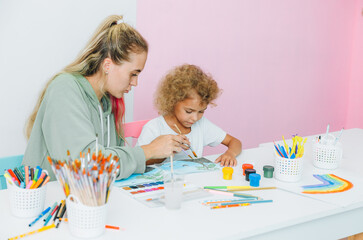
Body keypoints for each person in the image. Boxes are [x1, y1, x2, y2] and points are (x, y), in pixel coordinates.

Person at [23, 15, 190, 181]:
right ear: (108, 65)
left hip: (90, 199)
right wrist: (149, 150)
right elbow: (86, 167)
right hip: (50, 198)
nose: (135, 83)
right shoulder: (64, 89)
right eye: (133, 74)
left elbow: (111, 163)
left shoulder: (106, 103)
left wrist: (156, 153)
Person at [137, 64, 242, 167]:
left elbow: (235, 142)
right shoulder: (154, 128)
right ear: (173, 101)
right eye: (189, 111)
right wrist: (167, 151)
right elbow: (138, 163)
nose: (195, 118)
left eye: (201, 111)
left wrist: (230, 153)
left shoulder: (202, 125)